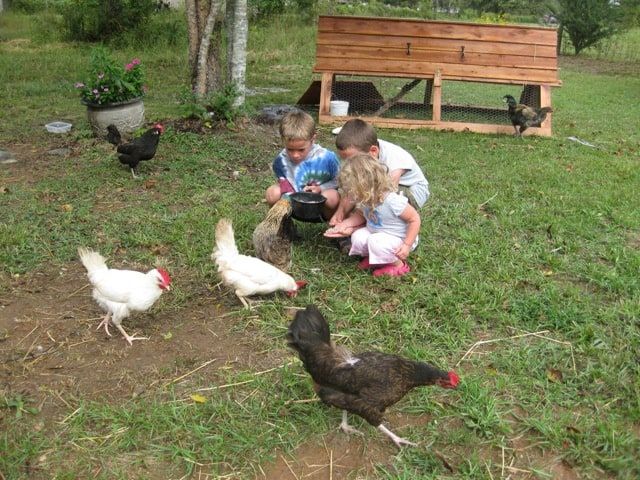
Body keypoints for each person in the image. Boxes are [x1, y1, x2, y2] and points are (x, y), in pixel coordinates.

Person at [326, 118, 429, 237]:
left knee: (382, 205)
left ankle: (380, 230)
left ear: (373, 151)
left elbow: (384, 195)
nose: (349, 165)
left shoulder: (394, 162)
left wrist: (357, 217)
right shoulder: (363, 151)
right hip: (381, 186)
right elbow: (354, 187)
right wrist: (341, 212)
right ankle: (359, 226)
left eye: (351, 160)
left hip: (410, 189)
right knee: (362, 194)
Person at [338, 153, 421, 277]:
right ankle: (376, 259)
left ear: (365, 185)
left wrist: (407, 245)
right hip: (378, 235)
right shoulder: (365, 198)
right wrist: (345, 224)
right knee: (358, 237)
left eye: (352, 189)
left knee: (376, 242)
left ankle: (398, 265)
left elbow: (414, 219)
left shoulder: (392, 201)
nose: (350, 193)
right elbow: (361, 214)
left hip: (399, 239)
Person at [265, 110, 340, 220]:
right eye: (290, 149)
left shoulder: (327, 158)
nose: (295, 155)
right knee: (272, 193)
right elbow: (283, 182)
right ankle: (282, 223)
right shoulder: (281, 161)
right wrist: (287, 195)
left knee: (332, 197)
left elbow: (339, 181)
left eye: (301, 150)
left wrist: (320, 188)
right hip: (293, 204)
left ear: (313, 139)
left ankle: (333, 225)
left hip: (320, 206)